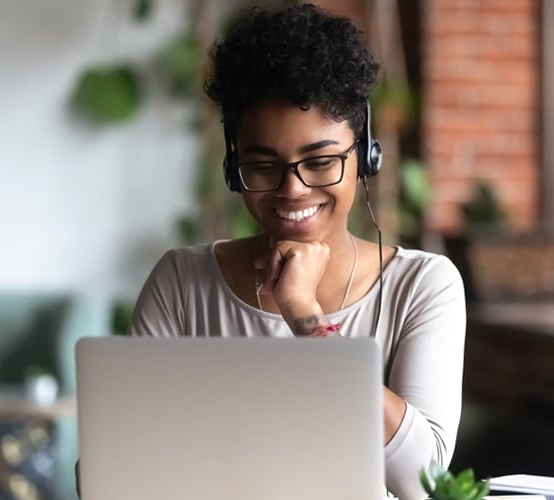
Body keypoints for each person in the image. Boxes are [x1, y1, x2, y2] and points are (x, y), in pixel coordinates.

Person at [125, 3, 466, 500]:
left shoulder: (422, 286)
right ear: (232, 166)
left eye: (321, 161)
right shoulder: (182, 282)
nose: (293, 190)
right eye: (263, 166)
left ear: (365, 156)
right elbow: (116, 467)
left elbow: (424, 482)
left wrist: (305, 315)